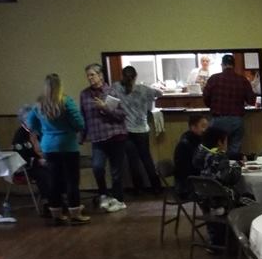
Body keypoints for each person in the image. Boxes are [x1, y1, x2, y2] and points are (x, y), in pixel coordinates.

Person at [26, 73, 90, 224]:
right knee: (71, 181)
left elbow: (31, 124)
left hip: (48, 146)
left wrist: (44, 132)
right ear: (60, 86)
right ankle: (75, 213)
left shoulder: (39, 104)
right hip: (68, 145)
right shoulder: (66, 102)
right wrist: (71, 129)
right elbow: (79, 124)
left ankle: (56, 214)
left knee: (53, 180)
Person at [79, 63, 127, 212]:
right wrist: (81, 137)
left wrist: (105, 108)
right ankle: (104, 195)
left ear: (100, 75)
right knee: (97, 167)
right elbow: (83, 116)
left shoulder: (112, 91)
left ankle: (119, 200)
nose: (90, 78)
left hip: (115, 136)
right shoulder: (84, 94)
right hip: (97, 138)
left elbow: (122, 115)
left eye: (92, 75)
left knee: (116, 172)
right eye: (88, 75)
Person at [113, 66, 162, 196]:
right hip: (142, 130)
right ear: (136, 76)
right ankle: (156, 187)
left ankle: (138, 189)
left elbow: (110, 102)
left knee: (132, 161)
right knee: (146, 158)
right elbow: (159, 93)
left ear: (122, 76)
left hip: (127, 130)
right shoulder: (144, 89)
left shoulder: (117, 88)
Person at [203, 54, 256, 160]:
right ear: (234, 65)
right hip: (236, 120)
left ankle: (218, 167)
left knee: (215, 150)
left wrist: (212, 104)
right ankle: (233, 167)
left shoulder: (214, 79)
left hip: (218, 119)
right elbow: (251, 100)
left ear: (222, 65)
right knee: (234, 152)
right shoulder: (242, 80)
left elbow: (206, 98)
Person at [12, 105, 52, 204]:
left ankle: (59, 199)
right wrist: (38, 161)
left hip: (42, 162)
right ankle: (47, 202)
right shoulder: (20, 136)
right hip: (26, 168)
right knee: (44, 174)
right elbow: (20, 157)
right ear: (24, 121)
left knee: (59, 168)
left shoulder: (37, 131)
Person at [173, 113, 208, 197]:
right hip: (187, 186)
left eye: (206, 126)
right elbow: (186, 170)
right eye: (203, 126)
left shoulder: (199, 139)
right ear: (193, 127)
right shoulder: (185, 144)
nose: (205, 129)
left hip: (195, 180)